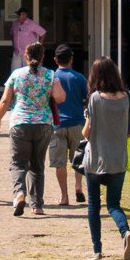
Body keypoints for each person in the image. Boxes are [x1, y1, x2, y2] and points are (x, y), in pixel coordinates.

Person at [0, 40, 65, 217]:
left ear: (25, 56)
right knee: (37, 165)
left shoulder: (17, 75)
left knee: (18, 163)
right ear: (43, 57)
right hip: (43, 125)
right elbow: (60, 98)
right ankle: (37, 205)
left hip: (20, 123)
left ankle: (19, 194)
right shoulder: (50, 75)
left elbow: (5, 100)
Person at [81, 56, 130, 260]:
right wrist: (117, 136)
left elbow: (87, 132)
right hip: (118, 159)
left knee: (94, 205)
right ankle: (125, 232)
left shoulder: (95, 98)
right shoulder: (128, 97)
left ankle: (97, 250)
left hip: (95, 159)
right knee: (114, 204)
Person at [49, 44, 88, 206]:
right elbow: (88, 97)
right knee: (78, 158)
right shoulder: (79, 77)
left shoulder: (51, 77)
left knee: (59, 163)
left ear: (55, 60)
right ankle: (78, 187)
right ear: (71, 59)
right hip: (77, 123)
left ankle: (64, 196)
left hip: (56, 124)